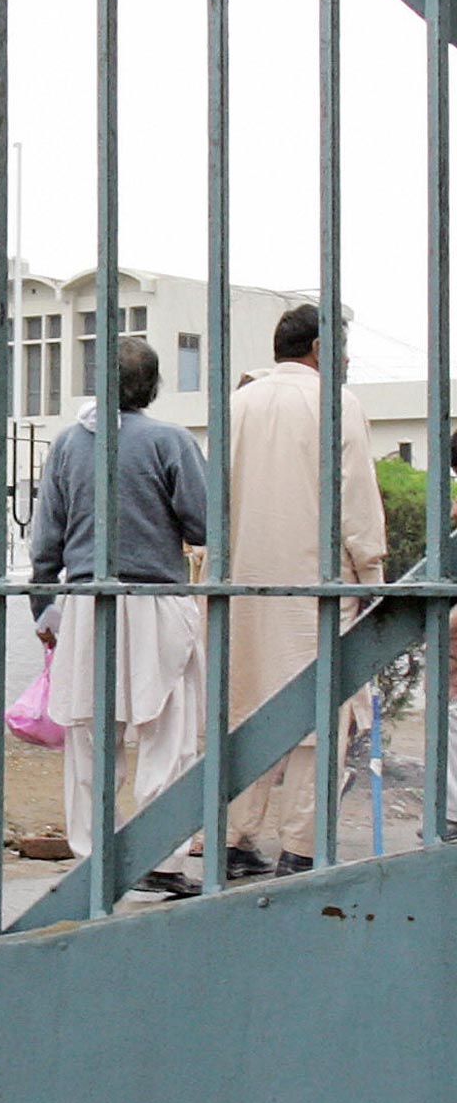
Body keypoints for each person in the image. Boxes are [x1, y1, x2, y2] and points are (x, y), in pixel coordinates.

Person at [29, 338, 208, 896]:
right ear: (153, 387)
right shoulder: (171, 442)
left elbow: (46, 544)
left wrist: (45, 609)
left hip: (86, 604)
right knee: (168, 733)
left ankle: (91, 857)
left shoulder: (66, 445)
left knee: (88, 733)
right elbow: (204, 525)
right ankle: (161, 856)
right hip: (155, 599)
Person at [225, 303, 386, 877]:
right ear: (318, 350)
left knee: (245, 711)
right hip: (313, 586)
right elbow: (357, 501)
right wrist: (372, 577)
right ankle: (300, 846)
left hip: (239, 587)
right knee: (320, 720)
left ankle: (236, 840)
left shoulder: (236, 404)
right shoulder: (335, 403)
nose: (343, 363)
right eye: (340, 352)